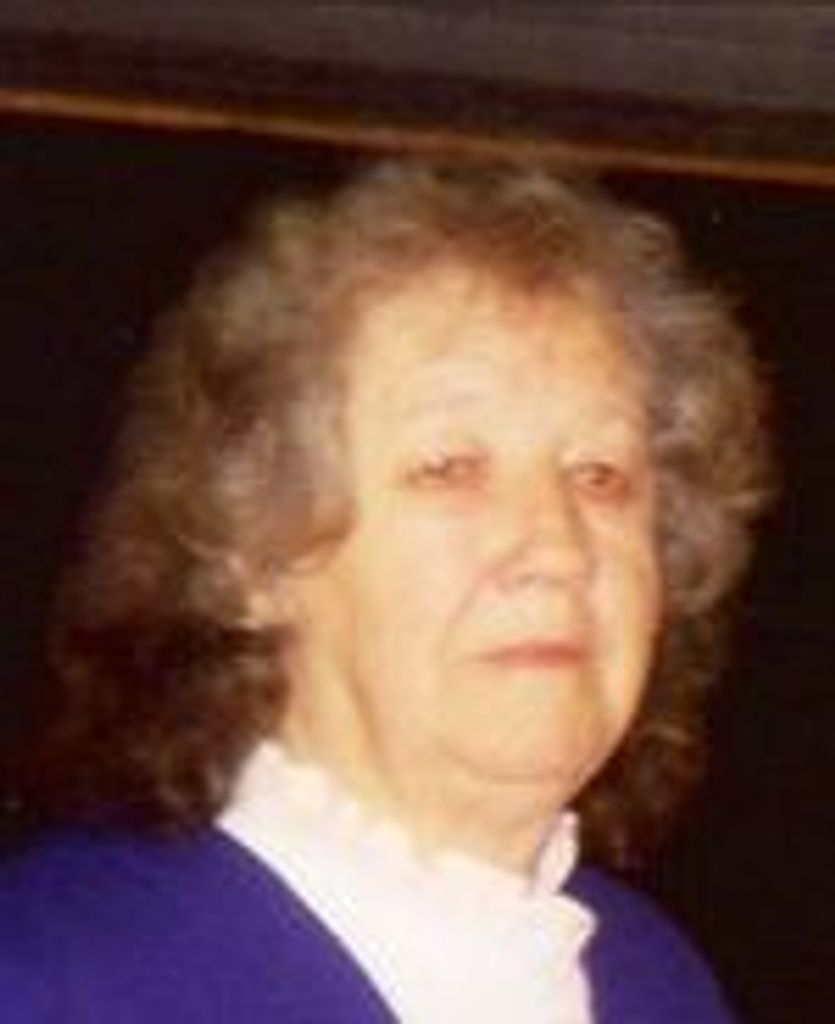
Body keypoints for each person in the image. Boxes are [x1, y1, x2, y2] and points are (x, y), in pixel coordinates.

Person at [0, 159, 770, 1022]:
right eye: (450, 468)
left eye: (600, 475)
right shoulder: (50, 980)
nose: (557, 547)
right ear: (256, 556)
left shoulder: (656, 986)